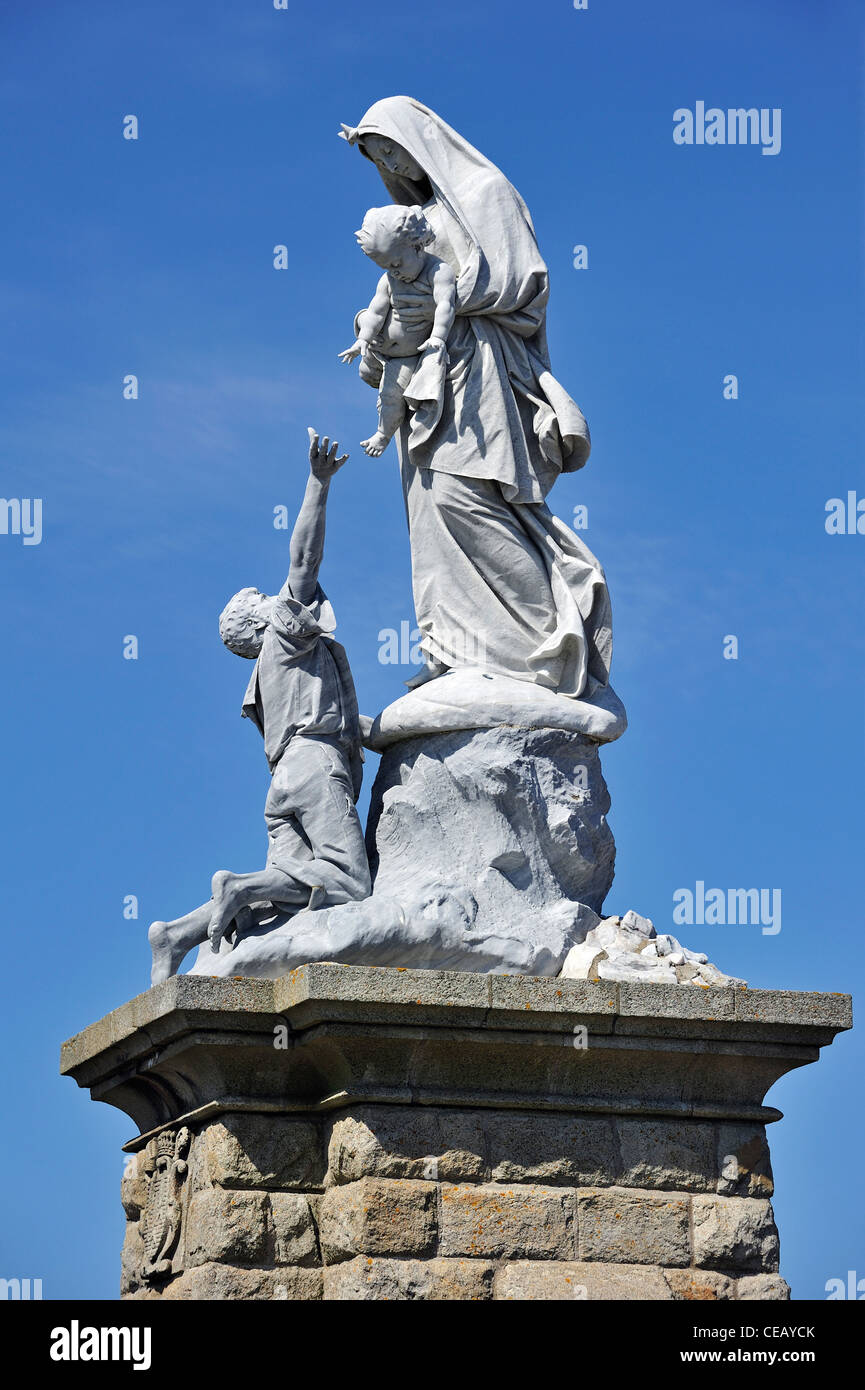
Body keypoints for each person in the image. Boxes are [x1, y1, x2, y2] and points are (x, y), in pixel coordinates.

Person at [340, 98, 618, 702]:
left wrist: (445, 300)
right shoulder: (413, 217)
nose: (387, 161)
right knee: (429, 509)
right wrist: (380, 336)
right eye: (375, 156)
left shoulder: (485, 191)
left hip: (480, 368)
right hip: (422, 383)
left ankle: (547, 638)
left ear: (417, 136)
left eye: (388, 146)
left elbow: (527, 283)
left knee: (468, 492)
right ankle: (454, 650)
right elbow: (390, 300)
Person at [148, 429, 370, 985]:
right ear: (263, 617)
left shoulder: (266, 680)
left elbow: (335, 720)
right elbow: (303, 558)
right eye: (265, 600)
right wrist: (318, 485)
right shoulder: (287, 636)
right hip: (316, 769)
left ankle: (174, 936)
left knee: (287, 893)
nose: (280, 597)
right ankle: (237, 887)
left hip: (285, 780)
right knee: (350, 883)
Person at [339, 204, 456, 457]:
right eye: (387, 267)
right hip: (378, 347)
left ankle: (383, 435)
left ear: (416, 246)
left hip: (405, 357)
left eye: (397, 263)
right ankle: (369, 362)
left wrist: (437, 337)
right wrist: (363, 339)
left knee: (391, 396)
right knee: (367, 374)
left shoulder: (438, 272)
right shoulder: (390, 279)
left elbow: (446, 305)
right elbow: (377, 311)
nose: (394, 271)